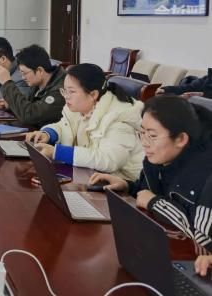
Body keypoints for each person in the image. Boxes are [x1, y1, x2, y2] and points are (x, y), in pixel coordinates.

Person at [90, 96, 212, 272]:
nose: (145, 143)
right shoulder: (157, 159)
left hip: (193, 266)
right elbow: (146, 191)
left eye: (153, 136)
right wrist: (128, 186)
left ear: (181, 139)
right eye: (142, 133)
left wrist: (155, 202)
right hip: (160, 251)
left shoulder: (205, 173)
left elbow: (202, 239)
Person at [25, 63, 144, 180]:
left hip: (123, 183)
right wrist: (48, 134)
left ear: (93, 94)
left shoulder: (118, 119)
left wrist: (58, 152)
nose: (66, 96)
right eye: (64, 90)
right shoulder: (80, 107)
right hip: (89, 175)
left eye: (71, 91)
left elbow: (108, 160)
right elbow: (64, 125)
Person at [0, 44, 66, 129]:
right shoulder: (38, 84)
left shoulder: (60, 91)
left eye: (25, 73)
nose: (23, 77)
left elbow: (29, 116)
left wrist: (7, 83)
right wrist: (10, 104)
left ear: (40, 71)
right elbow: (29, 106)